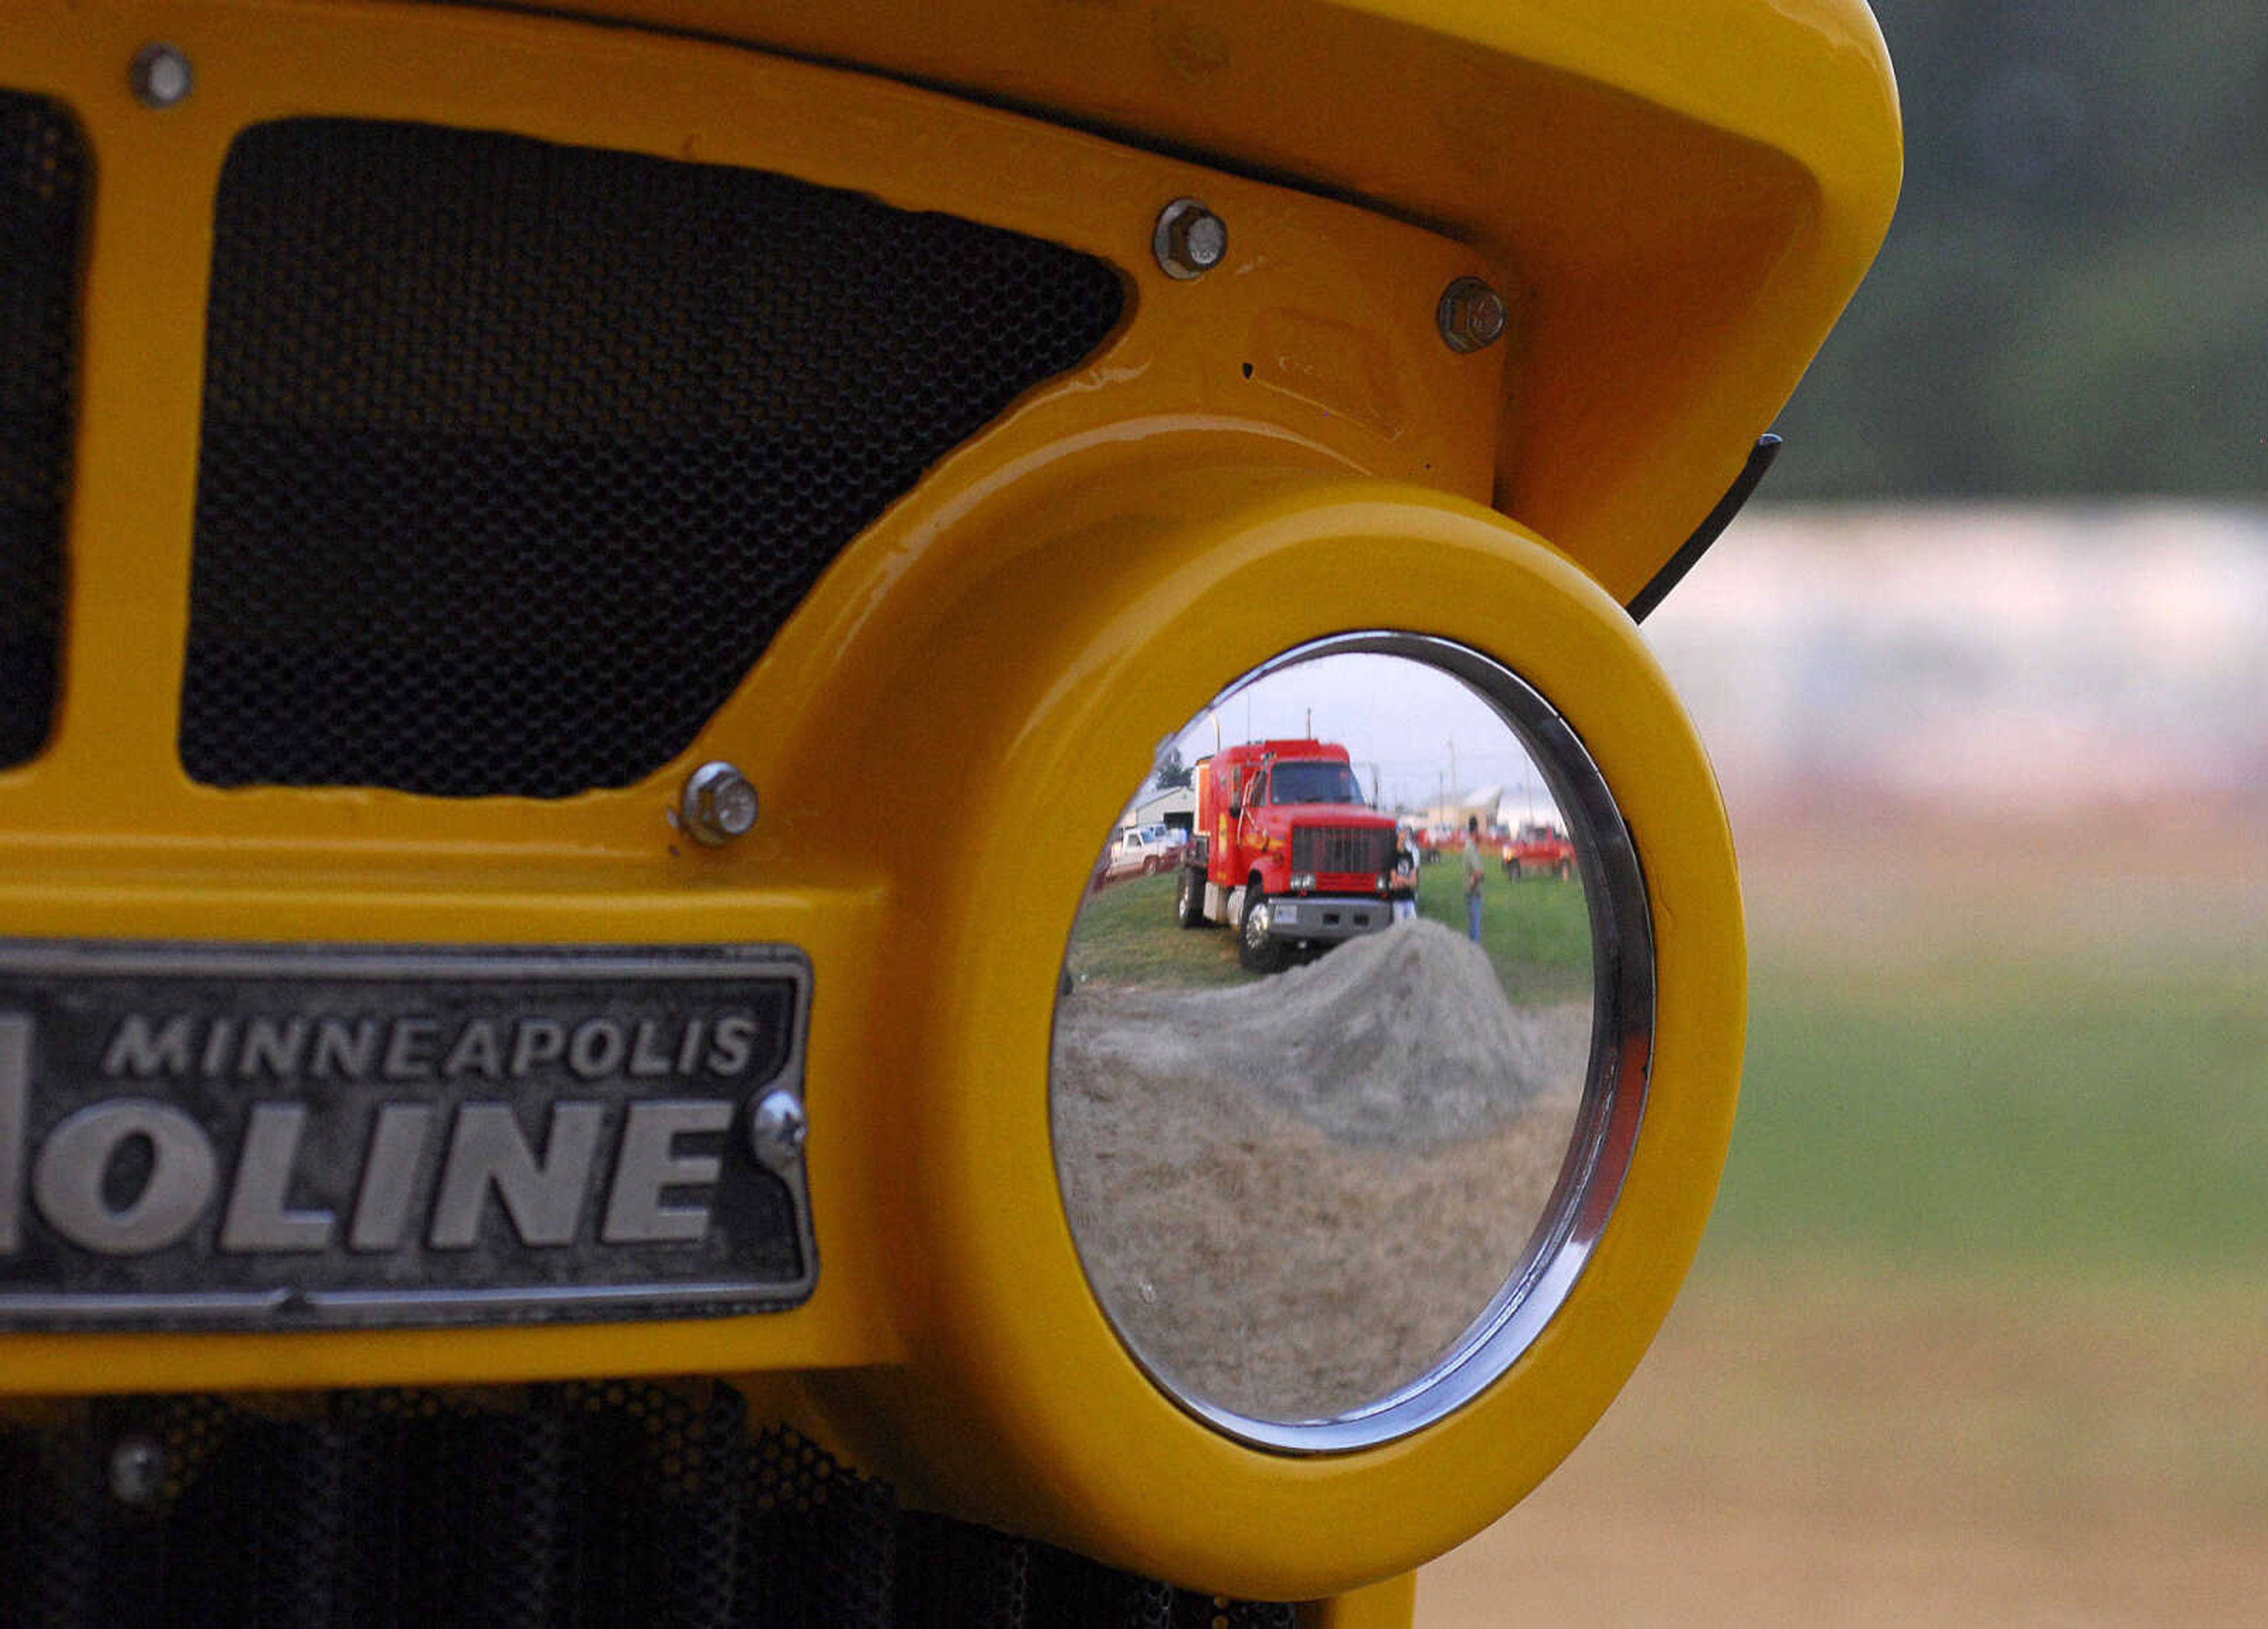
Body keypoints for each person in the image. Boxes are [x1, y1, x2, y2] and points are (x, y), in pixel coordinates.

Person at [1463, 814, 1485, 942]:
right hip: (1474, 894)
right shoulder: (1471, 849)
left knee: (1473, 927)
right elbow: (1478, 872)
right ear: (1475, 831)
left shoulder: (1470, 847)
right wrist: (1473, 884)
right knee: (1475, 931)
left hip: (1471, 893)